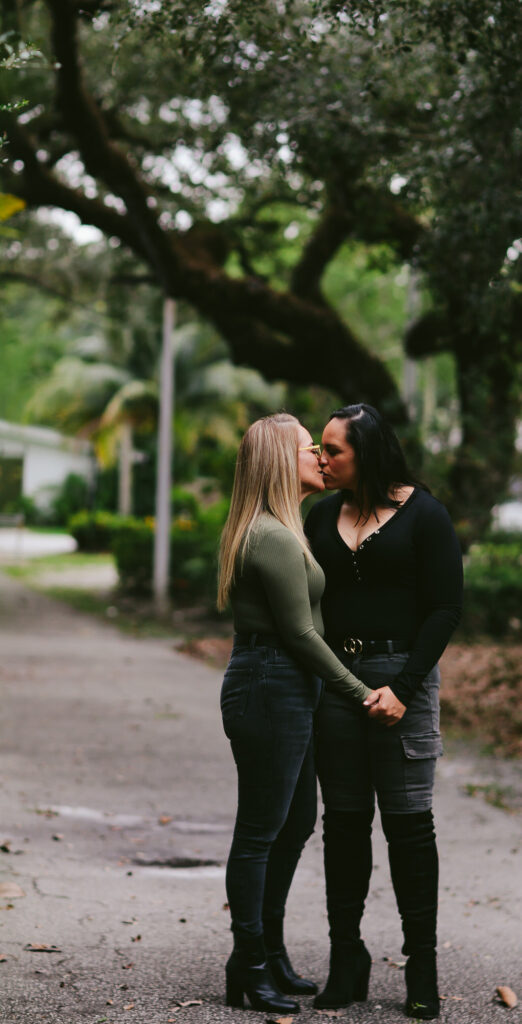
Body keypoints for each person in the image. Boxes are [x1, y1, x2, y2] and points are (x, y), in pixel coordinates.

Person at [216, 413, 381, 1013]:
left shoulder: (285, 529)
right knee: (261, 830)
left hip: (289, 685)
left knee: (294, 823)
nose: (320, 455)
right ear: (278, 462)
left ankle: (269, 952)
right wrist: (359, 691)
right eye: (308, 448)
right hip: (270, 683)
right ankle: (249, 962)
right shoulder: (271, 536)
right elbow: (301, 634)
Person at [305, 403, 463, 1020]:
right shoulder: (320, 515)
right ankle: (347, 957)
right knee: (343, 824)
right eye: (318, 448)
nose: (322, 459)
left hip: (404, 682)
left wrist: (403, 686)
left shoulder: (425, 516)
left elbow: (445, 608)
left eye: (333, 450)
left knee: (407, 825)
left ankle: (419, 964)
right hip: (336, 686)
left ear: (366, 454)